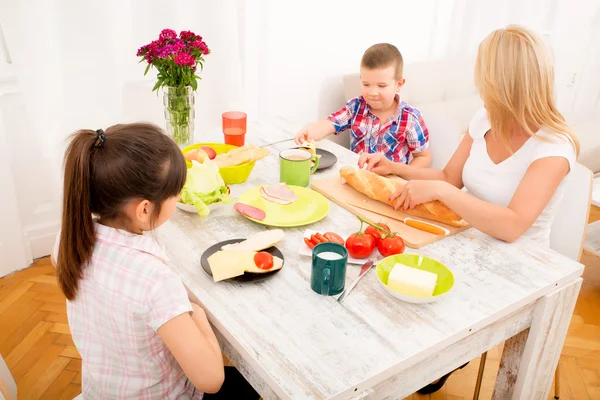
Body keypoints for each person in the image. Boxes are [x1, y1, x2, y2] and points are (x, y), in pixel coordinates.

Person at [359, 24, 579, 393]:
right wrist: (395, 168)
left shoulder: (554, 147)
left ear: (505, 81)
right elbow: (448, 175)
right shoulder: (486, 117)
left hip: (517, 267)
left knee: (415, 340)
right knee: (382, 294)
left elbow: (511, 226)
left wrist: (443, 193)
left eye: (484, 76)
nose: (479, 85)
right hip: (465, 245)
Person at [51, 123, 259, 399]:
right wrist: (195, 313)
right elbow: (211, 381)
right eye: (175, 194)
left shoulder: (68, 238)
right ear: (145, 209)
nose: (177, 198)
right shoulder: (155, 282)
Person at [295, 43, 432, 167]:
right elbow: (330, 124)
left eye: (381, 86)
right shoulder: (356, 107)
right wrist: (311, 130)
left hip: (390, 181)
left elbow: (424, 156)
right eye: (366, 84)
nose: (373, 92)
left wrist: (403, 177)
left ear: (399, 84)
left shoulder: (410, 119)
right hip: (357, 174)